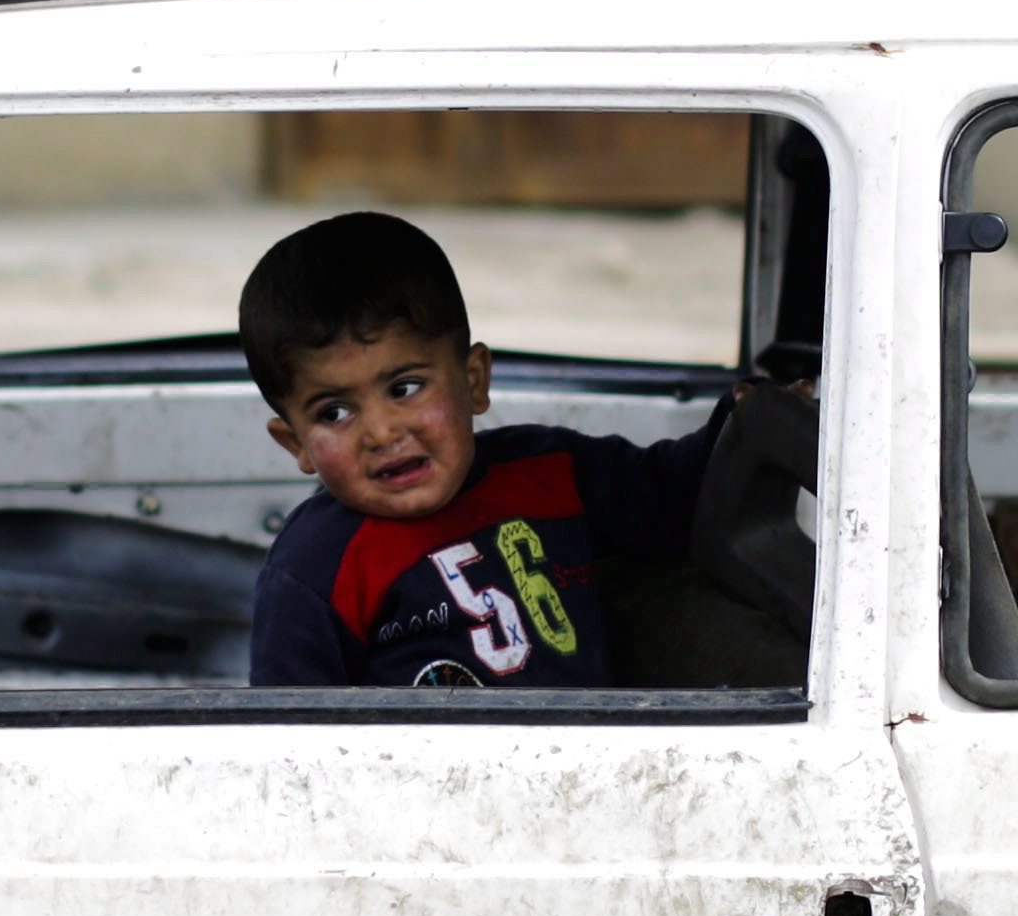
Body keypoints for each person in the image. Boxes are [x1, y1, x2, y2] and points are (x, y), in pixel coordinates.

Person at [240, 209, 729, 689]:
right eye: (334, 413)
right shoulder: (314, 568)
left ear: (474, 381)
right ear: (296, 443)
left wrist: (741, 423)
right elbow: (291, 743)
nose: (382, 433)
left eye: (405, 389)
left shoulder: (552, 473)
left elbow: (674, 494)